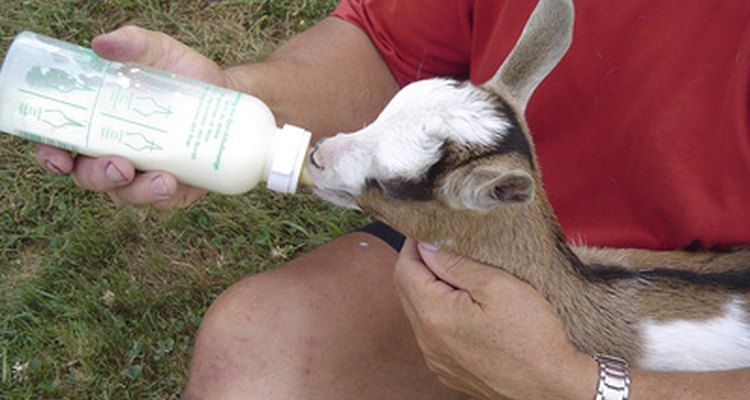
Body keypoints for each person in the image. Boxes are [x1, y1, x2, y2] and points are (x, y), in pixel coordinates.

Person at [33, 1, 750, 399]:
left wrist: (582, 389)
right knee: (254, 351)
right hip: (480, 242)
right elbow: (387, 48)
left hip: (690, 355)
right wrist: (232, 102)